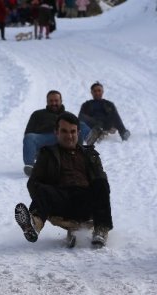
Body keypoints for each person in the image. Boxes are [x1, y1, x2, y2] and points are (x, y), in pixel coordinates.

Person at [15, 112, 113, 247]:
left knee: (101, 183)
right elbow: (33, 182)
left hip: (86, 201)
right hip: (60, 201)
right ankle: (33, 223)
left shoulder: (90, 154)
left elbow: (101, 182)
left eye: (73, 131)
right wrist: (46, 208)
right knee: (42, 188)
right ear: (56, 132)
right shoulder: (47, 154)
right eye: (64, 131)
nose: (69, 136)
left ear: (78, 132)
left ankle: (100, 228)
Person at [22, 90, 90, 175]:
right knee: (29, 137)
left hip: (65, 139)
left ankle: (88, 141)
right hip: (45, 139)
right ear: (47, 102)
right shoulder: (37, 114)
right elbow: (28, 132)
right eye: (51, 101)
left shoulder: (68, 115)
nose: (54, 103)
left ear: (61, 101)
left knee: (81, 125)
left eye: (56, 101)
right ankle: (30, 167)